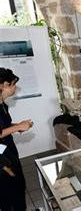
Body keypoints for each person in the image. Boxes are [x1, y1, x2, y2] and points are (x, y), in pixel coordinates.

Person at [0, 68, 33, 211]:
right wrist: (17, 127)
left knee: (19, 186)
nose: (15, 88)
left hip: (9, 151)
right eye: (13, 85)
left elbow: (4, 126)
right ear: (5, 85)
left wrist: (17, 126)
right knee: (10, 191)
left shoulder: (3, 104)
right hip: (2, 159)